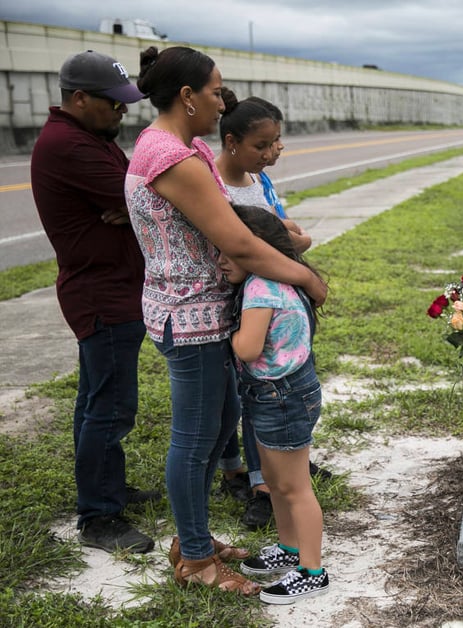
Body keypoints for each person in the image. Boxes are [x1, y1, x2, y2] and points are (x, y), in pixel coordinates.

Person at [126, 45, 327, 595]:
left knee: (215, 428)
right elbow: (238, 240)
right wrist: (306, 278)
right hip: (189, 320)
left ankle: (195, 538)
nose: (222, 102)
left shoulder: (172, 146)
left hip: (200, 314)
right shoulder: (173, 157)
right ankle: (196, 559)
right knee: (195, 440)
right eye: (215, 91)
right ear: (187, 96)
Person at [29, 50, 160, 555]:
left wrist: (132, 207)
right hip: (102, 293)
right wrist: (136, 206)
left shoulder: (90, 136)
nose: (122, 112)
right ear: (79, 98)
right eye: (113, 103)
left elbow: (138, 196)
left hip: (114, 286)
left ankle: (105, 489)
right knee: (110, 406)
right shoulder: (68, 145)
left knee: (96, 401)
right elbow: (154, 195)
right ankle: (99, 517)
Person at [213, 89, 323, 530]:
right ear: (230, 141)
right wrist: (289, 248)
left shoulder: (259, 183)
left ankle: (274, 477)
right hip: (241, 296)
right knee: (248, 396)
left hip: (269, 298)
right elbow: (280, 237)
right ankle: (251, 476)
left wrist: (290, 244)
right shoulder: (211, 184)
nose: (271, 153)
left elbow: (291, 230)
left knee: (274, 388)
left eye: (274, 143)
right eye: (262, 146)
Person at [221, 204, 329, 603]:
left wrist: (223, 334)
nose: (219, 261)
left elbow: (247, 348)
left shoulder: (261, 289)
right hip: (273, 395)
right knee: (275, 482)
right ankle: (289, 548)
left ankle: (313, 571)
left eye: (227, 252)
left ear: (256, 250)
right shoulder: (272, 280)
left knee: (294, 487)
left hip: (281, 398)